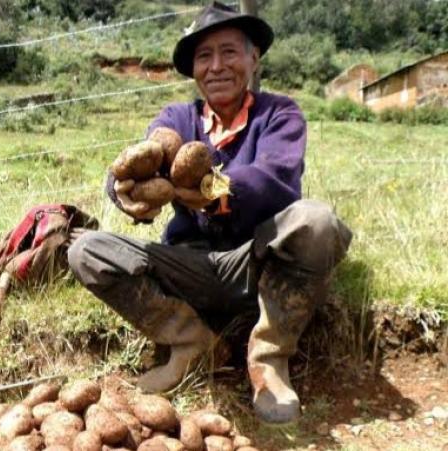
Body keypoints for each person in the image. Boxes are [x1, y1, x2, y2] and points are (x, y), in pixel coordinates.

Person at [68, 2, 352, 424]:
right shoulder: (177, 118)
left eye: (229, 52)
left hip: (256, 261)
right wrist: (123, 189)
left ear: (253, 59)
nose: (217, 66)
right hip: (190, 266)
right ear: (193, 69)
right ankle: (191, 344)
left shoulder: (280, 114)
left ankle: (268, 359)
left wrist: (213, 190)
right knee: (86, 250)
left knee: (317, 222)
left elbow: (273, 178)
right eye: (205, 56)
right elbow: (146, 163)